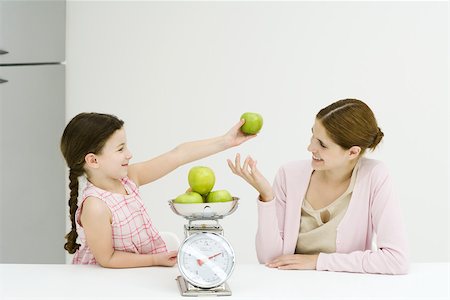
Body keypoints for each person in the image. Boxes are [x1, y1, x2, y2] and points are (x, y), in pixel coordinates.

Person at [227, 99, 409, 275]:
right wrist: (267, 196)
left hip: (349, 290)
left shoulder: (374, 176)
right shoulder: (289, 175)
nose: (310, 147)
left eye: (322, 144)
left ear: (352, 152)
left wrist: (317, 261)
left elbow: (396, 260)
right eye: (313, 136)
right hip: (291, 288)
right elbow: (270, 259)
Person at [60, 112, 254, 268]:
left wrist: (226, 141)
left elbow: (178, 155)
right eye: (120, 149)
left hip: (135, 274)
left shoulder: (129, 179)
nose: (129, 154)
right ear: (93, 160)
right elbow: (108, 259)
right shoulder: (95, 206)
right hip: (103, 283)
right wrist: (154, 260)